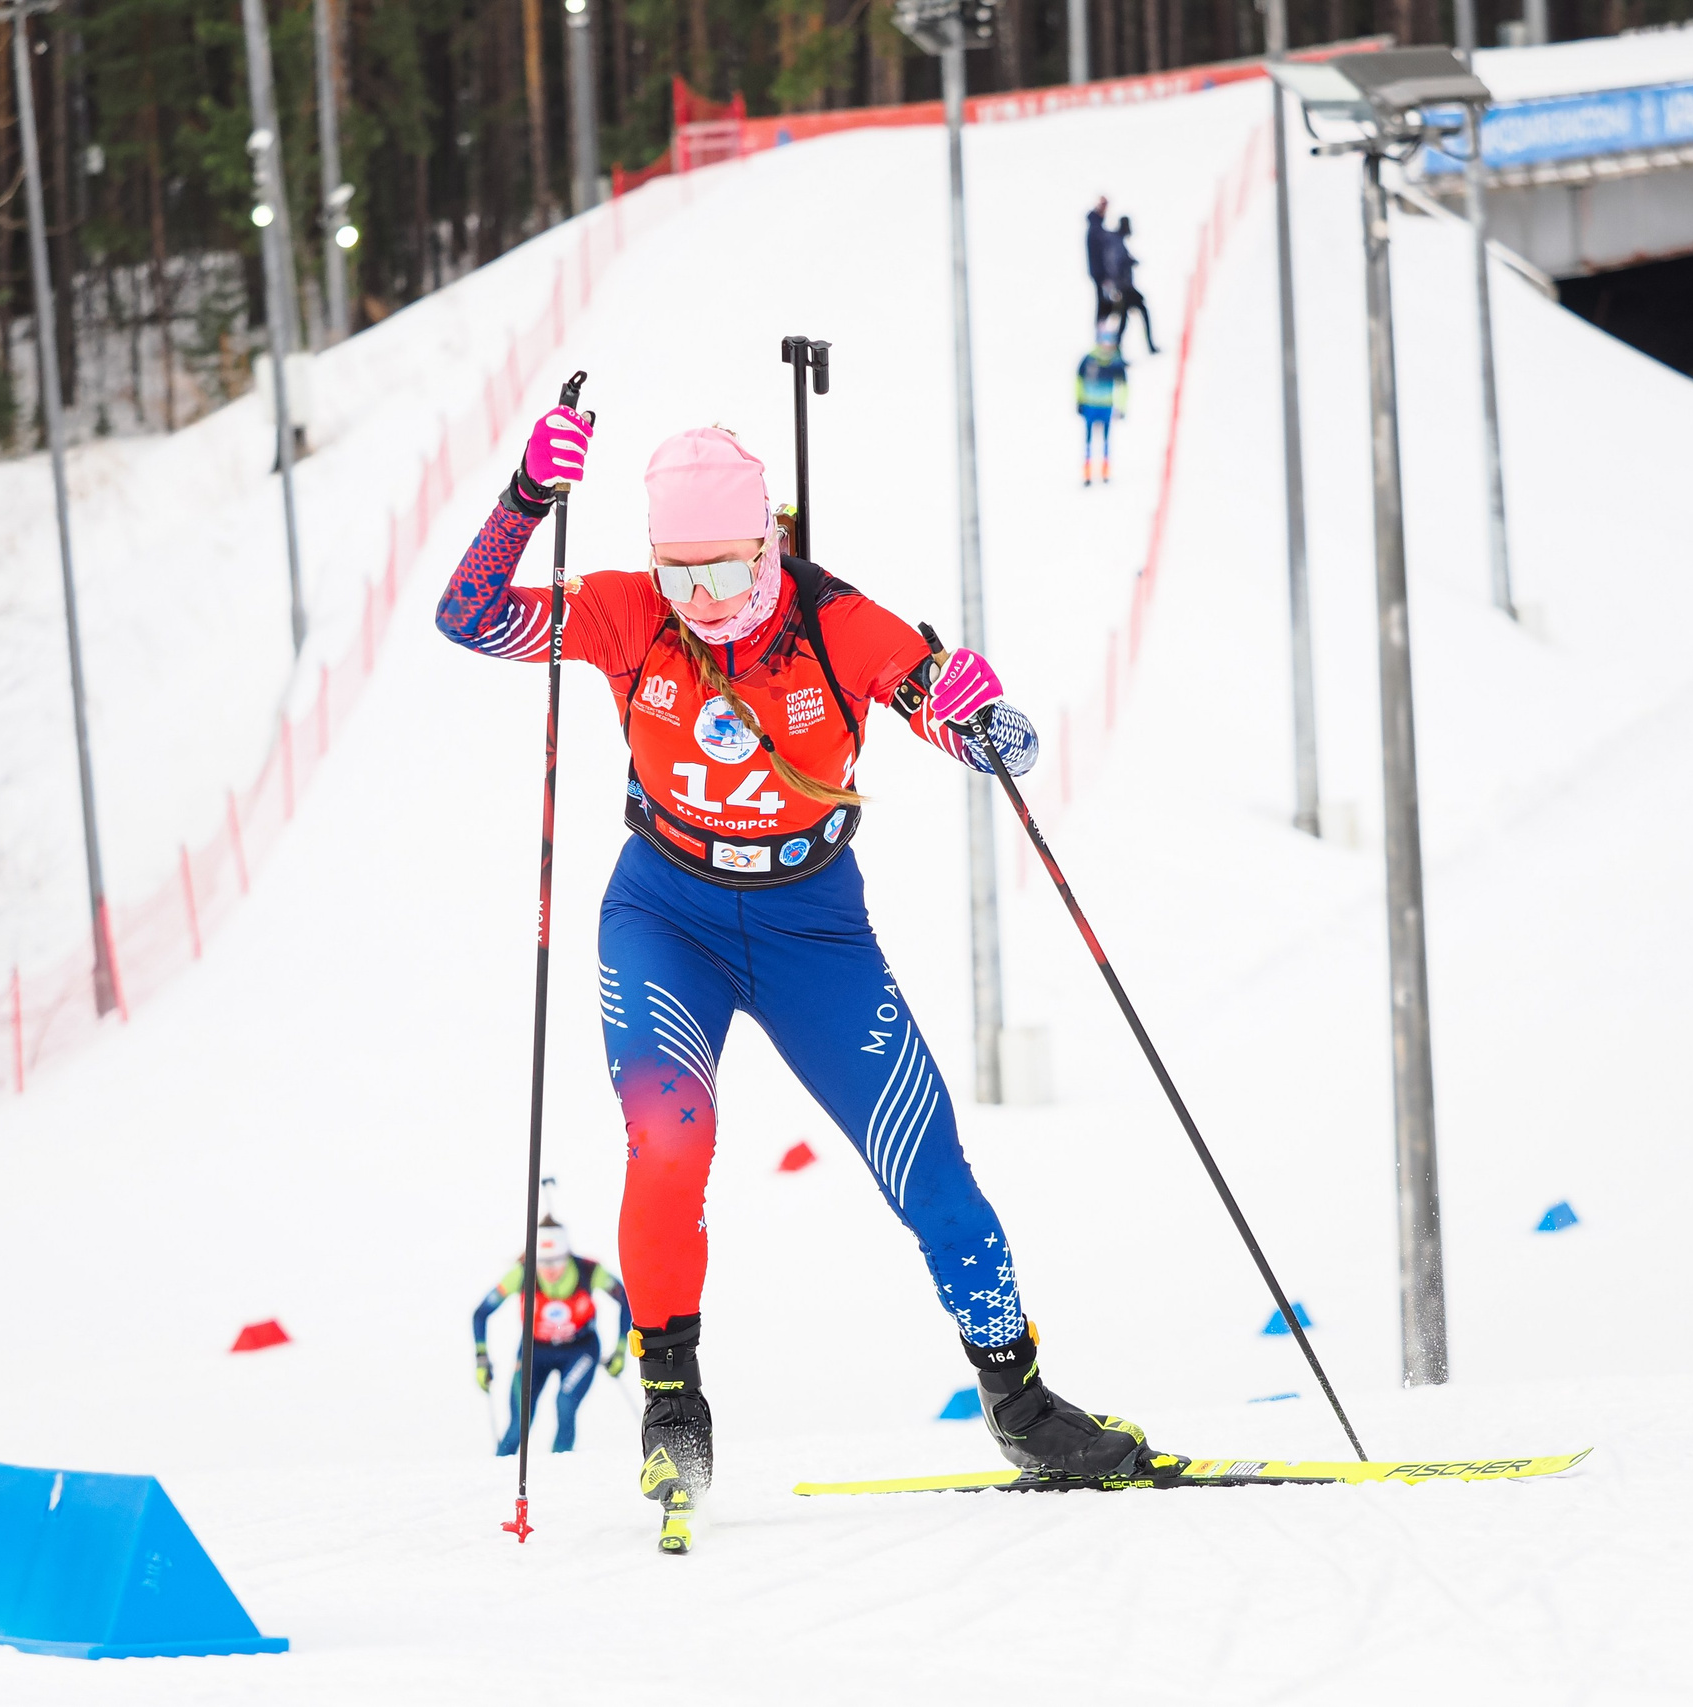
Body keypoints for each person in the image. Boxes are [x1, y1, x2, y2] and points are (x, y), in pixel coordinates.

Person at [437, 410, 1162, 1527]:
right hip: (663, 914)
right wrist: (527, 496)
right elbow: (468, 616)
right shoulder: (630, 611)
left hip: (810, 927)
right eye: (678, 572)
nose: (703, 598)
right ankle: (672, 1406)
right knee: (669, 1140)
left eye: (724, 567)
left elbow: (939, 705)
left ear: (767, 544)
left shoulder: (835, 623)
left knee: (930, 1171)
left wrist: (985, 722)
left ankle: (1020, 1405)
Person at [472, 1216, 631, 1456]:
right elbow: (481, 1313)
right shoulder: (521, 1273)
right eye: (543, 1262)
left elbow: (626, 1301)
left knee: (565, 1404)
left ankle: (560, 1470)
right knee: (519, 1423)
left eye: (557, 1261)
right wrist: (481, 1358)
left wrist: (620, 1350)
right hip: (536, 1351)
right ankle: (497, 1477)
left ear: (567, 1254)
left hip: (580, 1350)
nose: (551, 1270)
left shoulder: (588, 1270)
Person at [1076, 332, 1129, 486]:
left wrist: (1121, 406)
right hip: (1090, 405)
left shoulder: (1115, 362)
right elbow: (1079, 380)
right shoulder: (1089, 359)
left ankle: (1105, 471)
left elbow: (1123, 386)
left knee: (1106, 439)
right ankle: (1088, 473)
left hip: (1106, 406)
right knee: (1088, 440)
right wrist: (1079, 400)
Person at [1109, 215, 1160, 355]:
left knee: (1125, 320)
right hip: (1124, 288)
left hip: (1124, 288)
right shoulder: (1117, 243)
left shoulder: (1118, 242)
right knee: (1139, 314)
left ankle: (1118, 350)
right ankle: (1148, 346)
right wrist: (1129, 262)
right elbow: (1117, 265)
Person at [1086, 196, 1117, 327]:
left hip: (1103, 273)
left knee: (1108, 303)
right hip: (1101, 274)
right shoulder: (1096, 229)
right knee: (1104, 303)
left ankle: (1102, 334)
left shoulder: (1098, 227)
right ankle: (1100, 336)